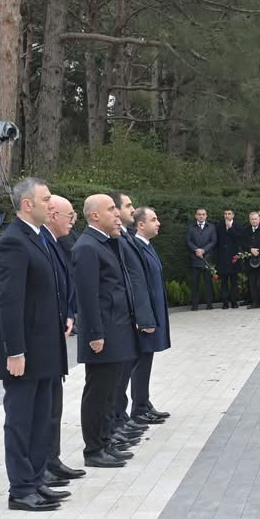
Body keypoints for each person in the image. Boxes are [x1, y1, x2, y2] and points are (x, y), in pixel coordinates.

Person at [0, 178, 69, 511]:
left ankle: (36, 480)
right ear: (27, 205)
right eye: (46, 199)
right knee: (21, 421)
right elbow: (10, 302)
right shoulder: (13, 243)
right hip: (25, 353)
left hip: (46, 350)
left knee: (42, 419)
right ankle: (21, 489)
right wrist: (15, 351)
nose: (51, 205)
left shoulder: (38, 239)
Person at [73, 194, 139, 469]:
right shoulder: (87, 247)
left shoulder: (108, 242)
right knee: (98, 392)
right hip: (103, 332)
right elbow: (87, 297)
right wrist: (94, 334)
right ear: (95, 216)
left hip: (118, 327)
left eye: (116, 208)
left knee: (111, 391)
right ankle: (94, 448)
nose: (116, 213)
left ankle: (105, 440)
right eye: (111, 209)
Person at [107, 192, 157, 451]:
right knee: (114, 378)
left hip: (128, 319)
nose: (131, 209)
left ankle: (121, 418)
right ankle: (114, 424)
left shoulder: (124, 238)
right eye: (128, 206)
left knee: (123, 372)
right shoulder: (113, 241)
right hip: (117, 322)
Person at [42, 195, 85, 484]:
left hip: (55, 338)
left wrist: (69, 313)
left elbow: (65, 283)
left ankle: (52, 459)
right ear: (53, 214)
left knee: (53, 407)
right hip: (38, 343)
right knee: (39, 411)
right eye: (69, 215)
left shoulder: (56, 243)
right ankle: (39, 468)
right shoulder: (30, 243)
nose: (72, 221)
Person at [132, 207, 172, 425]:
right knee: (141, 360)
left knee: (147, 360)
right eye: (153, 219)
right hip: (146, 318)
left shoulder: (147, 246)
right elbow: (139, 287)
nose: (158, 223)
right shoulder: (136, 247)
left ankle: (143, 402)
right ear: (140, 225)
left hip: (153, 313)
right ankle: (138, 407)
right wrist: (145, 318)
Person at [186, 208, 216, 310]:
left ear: (206, 216)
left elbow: (213, 241)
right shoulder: (191, 227)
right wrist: (196, 250)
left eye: (203, 214)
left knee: (208, 283)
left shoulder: (211, 227)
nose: (201, 216)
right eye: (199, 214)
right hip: (194, 258)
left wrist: (203, 250)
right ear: (195, 216)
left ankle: (209, 304)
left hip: (207, 259)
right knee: (195, 284)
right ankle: (194, 305)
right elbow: (188, 241)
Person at [215, 208, 244, 309]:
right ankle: (225, 302)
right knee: (223, 282)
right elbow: (217, 242)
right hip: (222, 258)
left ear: (233, 215)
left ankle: (234, 301)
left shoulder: (238, 226)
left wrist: (231, 228)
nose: (227, 216)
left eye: (229, 214)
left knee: (234, 282)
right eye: (225, 214)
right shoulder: (219, 226)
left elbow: (239, 240)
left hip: (233, 258)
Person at [244, 211, 260, 309]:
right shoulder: (246, 230)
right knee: (252, 282)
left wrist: (259, 251)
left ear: (259, 220)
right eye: (252, 219)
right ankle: (255, 302)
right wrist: (250, 250)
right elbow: (242, 243)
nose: (254, 221)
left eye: (255, 219)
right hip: (250, 260)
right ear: (250, 220)